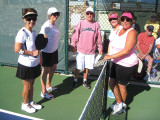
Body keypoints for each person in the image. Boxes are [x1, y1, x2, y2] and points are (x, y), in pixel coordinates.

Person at [103, 11, 138, 115]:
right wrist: (110, 55)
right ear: (120, 20)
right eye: (123, 19)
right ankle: (119, 103)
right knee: (111, 82)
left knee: (121, 85)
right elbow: (112, 43)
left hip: (126, 64)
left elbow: (127, 50)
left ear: (132, 21)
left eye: (128, 19)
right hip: (116, 62)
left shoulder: (132, 32)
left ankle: (121, 105)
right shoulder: (119, 30)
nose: (125, 21)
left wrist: (111, 56)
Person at [14, 8, 42, 113]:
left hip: (34, 63)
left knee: (32, 84)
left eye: (34, 18)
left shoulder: (34, 32)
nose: (32, 21)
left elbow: (35, 47)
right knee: (27, 85)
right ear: (24, 19)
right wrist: (32, 53)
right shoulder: (22, 33)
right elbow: (17, 49)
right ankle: (25, 104)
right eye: (29, 18)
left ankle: (31, 102)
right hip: (25, 64)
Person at [71, 6, 103, 89]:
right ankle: (75, 80)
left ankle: (84, 81)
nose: (89, 15)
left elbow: (99, 37)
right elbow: (75, 35)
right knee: (78, 67)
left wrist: (100, 47)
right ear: (85, 14)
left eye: (91, 13)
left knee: (87, 67)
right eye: (87, 13)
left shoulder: (96, 24)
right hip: (81, 50)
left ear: (93, 14)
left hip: (91, 51)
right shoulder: (81, 23)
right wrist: (73, 44)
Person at [40, 7, 60, 99]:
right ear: (50, 15)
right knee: (45, 71)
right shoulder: (46, 26)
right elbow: (40, 39)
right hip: (46, 52)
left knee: (54, 67)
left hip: (54, 51)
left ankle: (48, 85)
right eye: (54, 14)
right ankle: (43, 91)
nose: (56, 16)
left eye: (57, 14)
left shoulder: (54, 24)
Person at [107, 11, 122, 98]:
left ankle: (117, 93)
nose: (112, 20)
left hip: (119, 58)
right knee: (112, 77)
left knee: (114, 78)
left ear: (118, 19)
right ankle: (114, 89)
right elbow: (110, 43)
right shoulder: (112, 30)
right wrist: (108, 55)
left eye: (114, 18)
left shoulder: (121, 29)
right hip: (112, 58)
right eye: (110, 19)